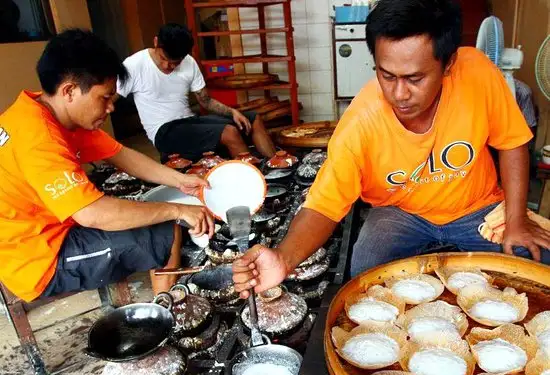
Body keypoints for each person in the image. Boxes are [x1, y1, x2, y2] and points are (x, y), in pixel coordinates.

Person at [232, 0, 550, 298]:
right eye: (387, 76)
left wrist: (517, 219)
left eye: (415, 78)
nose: (399, 93)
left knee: (538, 260)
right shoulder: (360, 122)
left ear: (448, 63)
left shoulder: (476, 73)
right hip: (400, 214)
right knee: (366, 277)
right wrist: (284, 259)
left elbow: (513, 143)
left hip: (476, 208)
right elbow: (324, 206)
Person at [0, 29, 214, 302]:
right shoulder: (40, 138)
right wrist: (177, 209)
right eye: (104, 97)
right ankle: (165, 313)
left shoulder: (46, 111)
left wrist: (179, 181)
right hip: (37, 257)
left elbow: (120, 153)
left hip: (42, 228)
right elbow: (93, 214)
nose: (111, 107)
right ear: (70, 91)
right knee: (166, 231)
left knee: (142, 211)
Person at [116, 23, 277, 162]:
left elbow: (205, 101)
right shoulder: (134, 64)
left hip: (189, 121)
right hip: (163, 131)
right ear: (156, 41)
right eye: (163, 58)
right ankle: (254, 184)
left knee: (253, 119)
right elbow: (110, 96)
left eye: (175, 63)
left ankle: (278, 166)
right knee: (229, 132)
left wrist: (232, 112)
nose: (167, 66)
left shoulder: (189, 62)